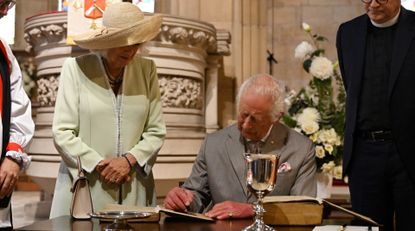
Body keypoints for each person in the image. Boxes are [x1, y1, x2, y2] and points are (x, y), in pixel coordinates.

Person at [49, 2, 166, 218]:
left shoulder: (147, 69)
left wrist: (128, 161)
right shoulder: (75, 69)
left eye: (136, 42)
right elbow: (62, 132)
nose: (131, 49)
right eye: (124, 42)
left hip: (134, 186)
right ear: (106, 41)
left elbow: (156, 131)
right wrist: (101, 165)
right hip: (87, 187)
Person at [164, 74, 316, 219]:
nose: (245, 124)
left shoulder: (301, 149)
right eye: (243, 114)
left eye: (255, 119)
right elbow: (196, 196)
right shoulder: (213, 143)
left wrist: (252, 210)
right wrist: (182, 200)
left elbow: (304, 208)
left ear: (276, 117)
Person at [336, 0, 415, 230]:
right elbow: (351, 87)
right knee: (367, 228)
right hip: (365, 154)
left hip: (409, 152)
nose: (372, 4)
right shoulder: (348, 33)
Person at [0, 0, 35, 229]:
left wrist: (13, 156)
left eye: (8, 4)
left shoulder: (3, 51)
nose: (4, 11)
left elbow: (19, 107)